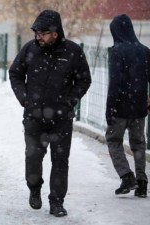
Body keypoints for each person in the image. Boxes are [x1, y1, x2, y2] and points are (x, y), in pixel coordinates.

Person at [9, 10, 91, 217]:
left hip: (61, 119)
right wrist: (25, 99)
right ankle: (34, 189)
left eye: (42, 33)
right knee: (34, 157)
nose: (38, 36)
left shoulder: (73, 52)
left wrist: (71, 100)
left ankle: (57, 201)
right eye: (36, 32)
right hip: (34, 118)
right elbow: (15, 74)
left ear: (55, 33)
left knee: (60, 161)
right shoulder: (29, 49)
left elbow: (84, 79)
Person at [105, 14, 149, 198]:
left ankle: (126, 176)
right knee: (138, 144)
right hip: (139, 109)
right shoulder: (145, 50)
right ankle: (142, 183)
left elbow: (115, 83)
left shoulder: (117, 51)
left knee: (114, 140)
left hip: (121, 107)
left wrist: (110, 108)